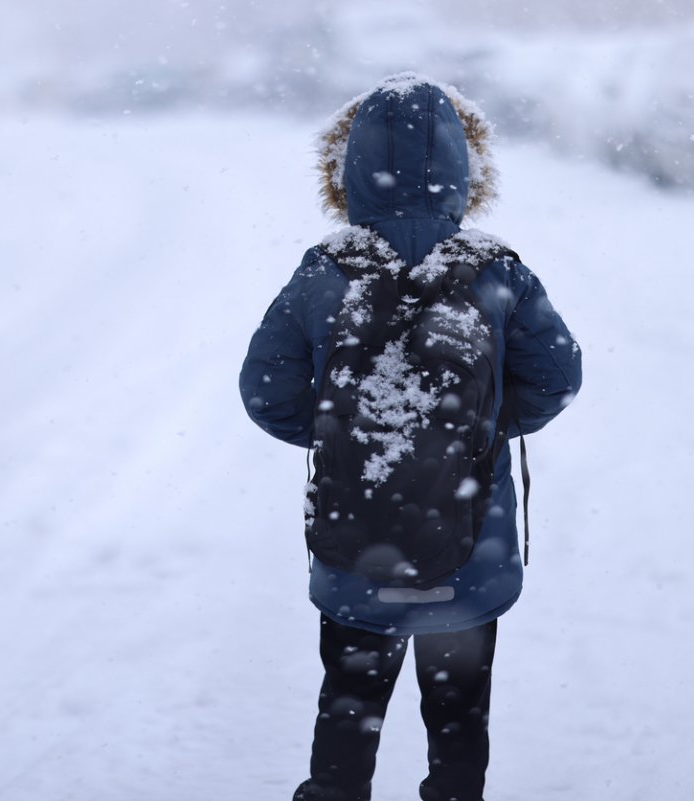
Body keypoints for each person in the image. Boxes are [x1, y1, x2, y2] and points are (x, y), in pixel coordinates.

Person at [238, 73, 583, 801]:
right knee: (458, 714)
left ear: (347, 170)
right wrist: (482, 432)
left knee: (350, 703)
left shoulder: (325, 271)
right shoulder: (497, 271)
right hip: (470, 551)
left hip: (356, 545)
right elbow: (557, 377)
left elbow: (264, 391)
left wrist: (336, 430)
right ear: (468, 169)